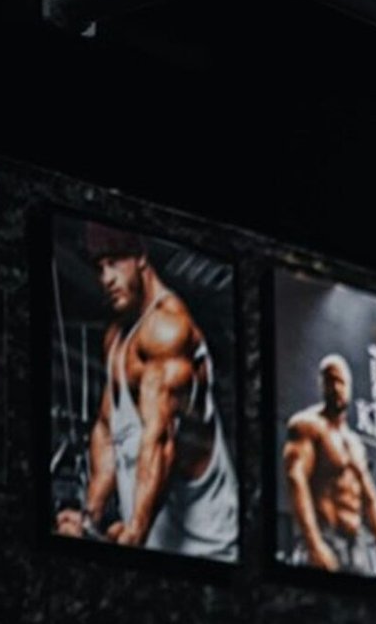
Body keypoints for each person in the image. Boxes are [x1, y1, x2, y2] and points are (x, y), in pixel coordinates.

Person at [54, 222, 238, 562]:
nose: (106, 278)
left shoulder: (169, 328)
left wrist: (135, 531)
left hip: (209, 553)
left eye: (114, 262)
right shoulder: (117, 337)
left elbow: (162, 439)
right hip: (158, 555)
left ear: (140, 256)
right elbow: (108, 432)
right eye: (99, 267)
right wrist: (89, 519)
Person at [282, 352, 376, 579]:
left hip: (356, 542)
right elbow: (295, 479)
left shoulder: (356, 444)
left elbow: (372, 500)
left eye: (340, 381)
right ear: (321, 384)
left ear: (349, 386)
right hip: (325, 536)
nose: (336, 387)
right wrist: (314, 543)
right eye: (330, 381)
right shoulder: (308, 426)